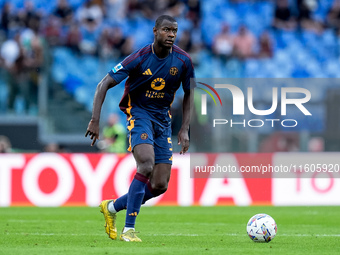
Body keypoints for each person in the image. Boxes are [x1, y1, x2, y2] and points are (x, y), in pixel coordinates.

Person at [85, 15, 194, 242]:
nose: (171, 35)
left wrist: (184, 128)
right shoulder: (139, 58)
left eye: (174, 31)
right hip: (139, 114)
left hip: (163, 121)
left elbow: (190, 92)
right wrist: (95, 120)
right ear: (155, 31)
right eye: (166, 30)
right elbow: (104, 83)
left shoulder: (183, 61)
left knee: (160, 185)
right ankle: (129, 230)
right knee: (146, 163)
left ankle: (112, 207)